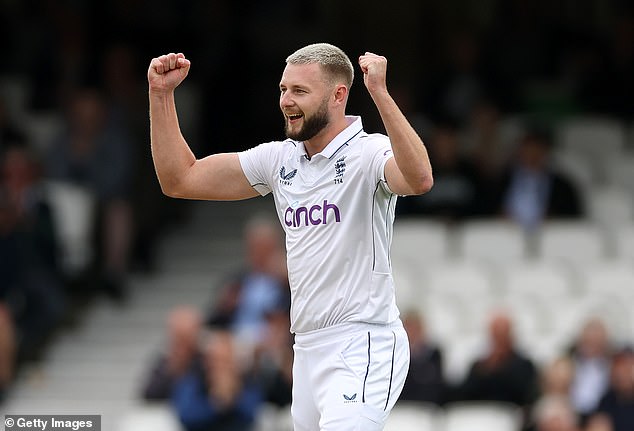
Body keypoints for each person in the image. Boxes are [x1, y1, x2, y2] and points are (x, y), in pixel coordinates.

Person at [148, 43, 433, 430]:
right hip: (307, 348)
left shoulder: (370, 153)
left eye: (299, 91)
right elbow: (179, 179)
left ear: (338, 95)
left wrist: (381, 93)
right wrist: (161, 95)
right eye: (283, 89)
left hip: (362, 342)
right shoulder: (279, 159)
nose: (285, 101)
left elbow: (419, 179)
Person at [171, 330, 263, 431]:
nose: (220, 366)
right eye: (216, 360)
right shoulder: (193, 380)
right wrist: (216, 404)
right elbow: (186, 415)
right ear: (207, 361)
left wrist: (233, 396)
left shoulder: (247, 381)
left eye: (225, 360)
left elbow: (251, 414)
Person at [140, 305, 203, 401]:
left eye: (185, 335)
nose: (182, 340)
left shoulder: (207, 360)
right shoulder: (165, 361)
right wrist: (175, 367)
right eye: (178, 335)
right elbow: (149, 393)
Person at [399, 309, 446, 405]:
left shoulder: (434, 355)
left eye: (416, 328)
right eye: (409, 327)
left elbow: (436, 386)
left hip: (427, 408)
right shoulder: (398, 356)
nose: (412, 332)